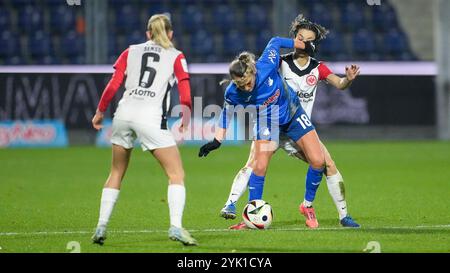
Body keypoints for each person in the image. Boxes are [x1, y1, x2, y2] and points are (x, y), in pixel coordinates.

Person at [220, 14, 361, 229]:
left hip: (298, 126)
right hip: (271, 124)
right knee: (255, 164)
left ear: (314, 44)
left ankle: (339, 215)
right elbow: (258, 72)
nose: (303, 42)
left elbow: (340, 84)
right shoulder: (279, 63)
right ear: (295, 38)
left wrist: (347, 80)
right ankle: (239, 210)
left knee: (325, 162)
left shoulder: (318, 68)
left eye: (308, 40)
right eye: (300, 37)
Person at [199, 35, 327, 229]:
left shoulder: (266, 64)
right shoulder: (233, 92)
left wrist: (304, 45)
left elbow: (275, 41)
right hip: (268, 123)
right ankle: (251, 216)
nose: (246, 87)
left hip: (292, 113)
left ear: (252, 71)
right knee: (259, 167)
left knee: (318, 161)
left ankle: (307, 205)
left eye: (248, 83)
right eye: (241, 85)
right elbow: (226, 115)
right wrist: (217, 141)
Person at [91, 14, 197, 246]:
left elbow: (113, 85)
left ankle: (101, 226)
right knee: (176, 174)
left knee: (116, 172)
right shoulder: (176, 56)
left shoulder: (130, 51)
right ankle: (176, 227)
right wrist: (186, 116)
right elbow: (186, 93)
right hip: (150, 118)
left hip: (123, 114)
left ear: (147, 33)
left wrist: (100, 112)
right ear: (170, 34)